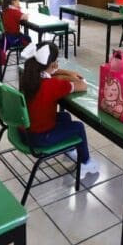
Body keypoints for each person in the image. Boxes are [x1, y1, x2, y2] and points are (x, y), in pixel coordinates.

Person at [19, 42, 99, 175]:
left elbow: (52, 74)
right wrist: (71, 77)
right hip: (39, 138)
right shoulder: (52, 85)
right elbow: (82, 85)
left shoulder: (28, 77)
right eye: (55, 61)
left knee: (65, 117)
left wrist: (64, 72)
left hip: (24, 132)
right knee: (78, 127)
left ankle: (68, 148)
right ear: (51, 64)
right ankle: (86, 163)